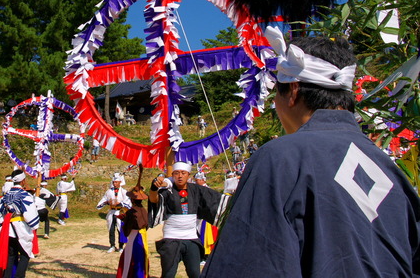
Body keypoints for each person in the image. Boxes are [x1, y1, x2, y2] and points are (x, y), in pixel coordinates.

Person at [201, 27, 420, 277]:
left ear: (293, 90)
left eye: (275, 93)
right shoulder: (388, 167)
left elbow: (250, 265)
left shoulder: (281, 158)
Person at [149, 162, 225, 278]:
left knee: (195, 273)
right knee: (168, 274)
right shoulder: (168, 191)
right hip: (171, 238)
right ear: (172, 175)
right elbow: (154, 200)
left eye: (183, 173)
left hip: (191, 238)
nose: (180, 176)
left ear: (188, 175)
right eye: (176, 173)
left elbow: (215, 199)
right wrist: (154, 188)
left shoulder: (197, 190)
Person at [0, 169, 40, 278]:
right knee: (25, 254)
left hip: (8, 229)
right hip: (21, 227)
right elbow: (30, 214)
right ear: (23, 181)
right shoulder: (25, 195)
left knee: (11, 255)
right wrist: (34, 225)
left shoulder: (5, 196)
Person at [116, 185, 149, 278]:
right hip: (143, 237)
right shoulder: (144, 210)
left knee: (132, 259)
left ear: (132, 200)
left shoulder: (131, 212)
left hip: (135, 237)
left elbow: (126, 230)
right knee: (141, 257)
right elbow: (146, 225)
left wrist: (124, 220)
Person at [96, 173, 131, 253]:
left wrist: (120, 204)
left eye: (116, 182)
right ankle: (112, 245)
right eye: (113, 182)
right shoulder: (109, 191)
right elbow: (103, 201)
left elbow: (128, 202)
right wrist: (107, 202)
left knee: (120, 230)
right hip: (112, 212)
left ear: (120, 182)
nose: (114, 184)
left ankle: (121, 246)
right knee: (111, 230)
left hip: (120, 212)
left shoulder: (124, 191)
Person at [193, 172, 218, 266]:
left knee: (206, 237)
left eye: (197, 180)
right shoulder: (198, 189)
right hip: (198, 216)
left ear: (202, 180)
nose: (196, 182)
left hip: (206, 217)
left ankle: (205, 256)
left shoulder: (206, 190)